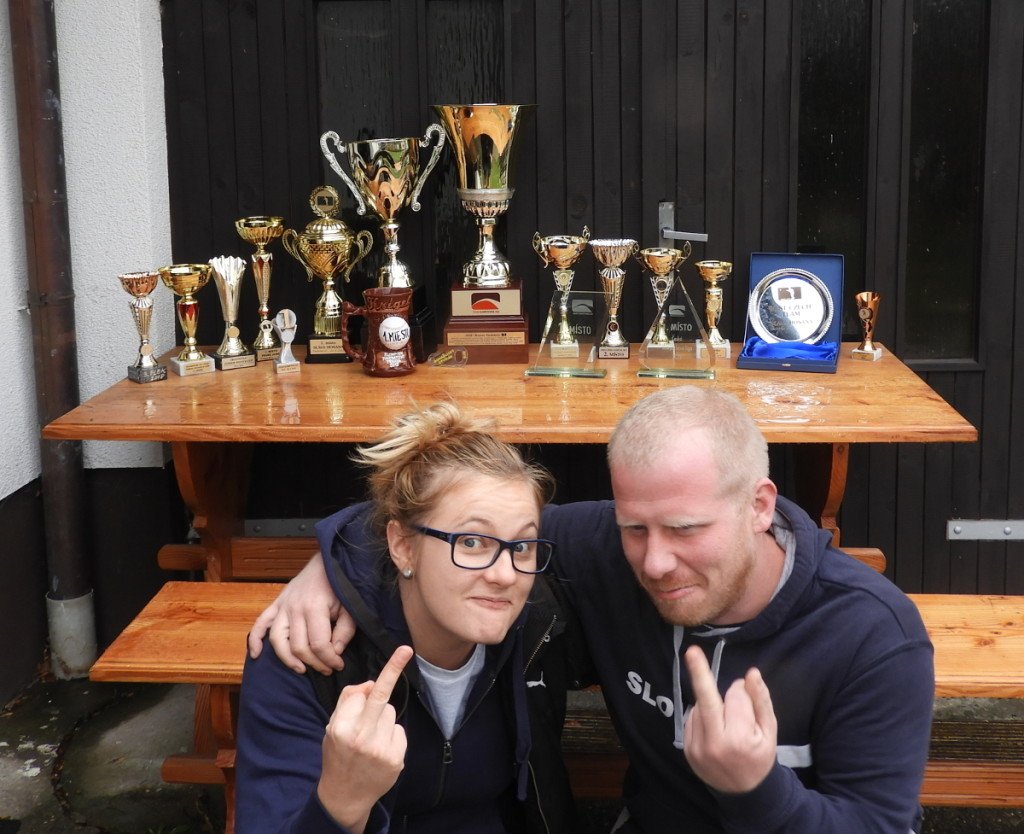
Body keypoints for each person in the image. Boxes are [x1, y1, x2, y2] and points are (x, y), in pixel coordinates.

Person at [250, 387, 934, 833]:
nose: (655, 562)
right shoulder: (594, 554)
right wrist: (327, 565)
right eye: (634, 528)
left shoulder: (872, 635)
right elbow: (446, 517)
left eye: (686, 529)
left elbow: (877, 824)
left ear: (759, 506)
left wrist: (757, 788)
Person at [236, 402, 585, 833]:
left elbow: (640, 517)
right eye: (471, 542)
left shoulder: (538, 627)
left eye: (522, 546)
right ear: (403, 547)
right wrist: (340, 802)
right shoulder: (306, 651)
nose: (504, 575)